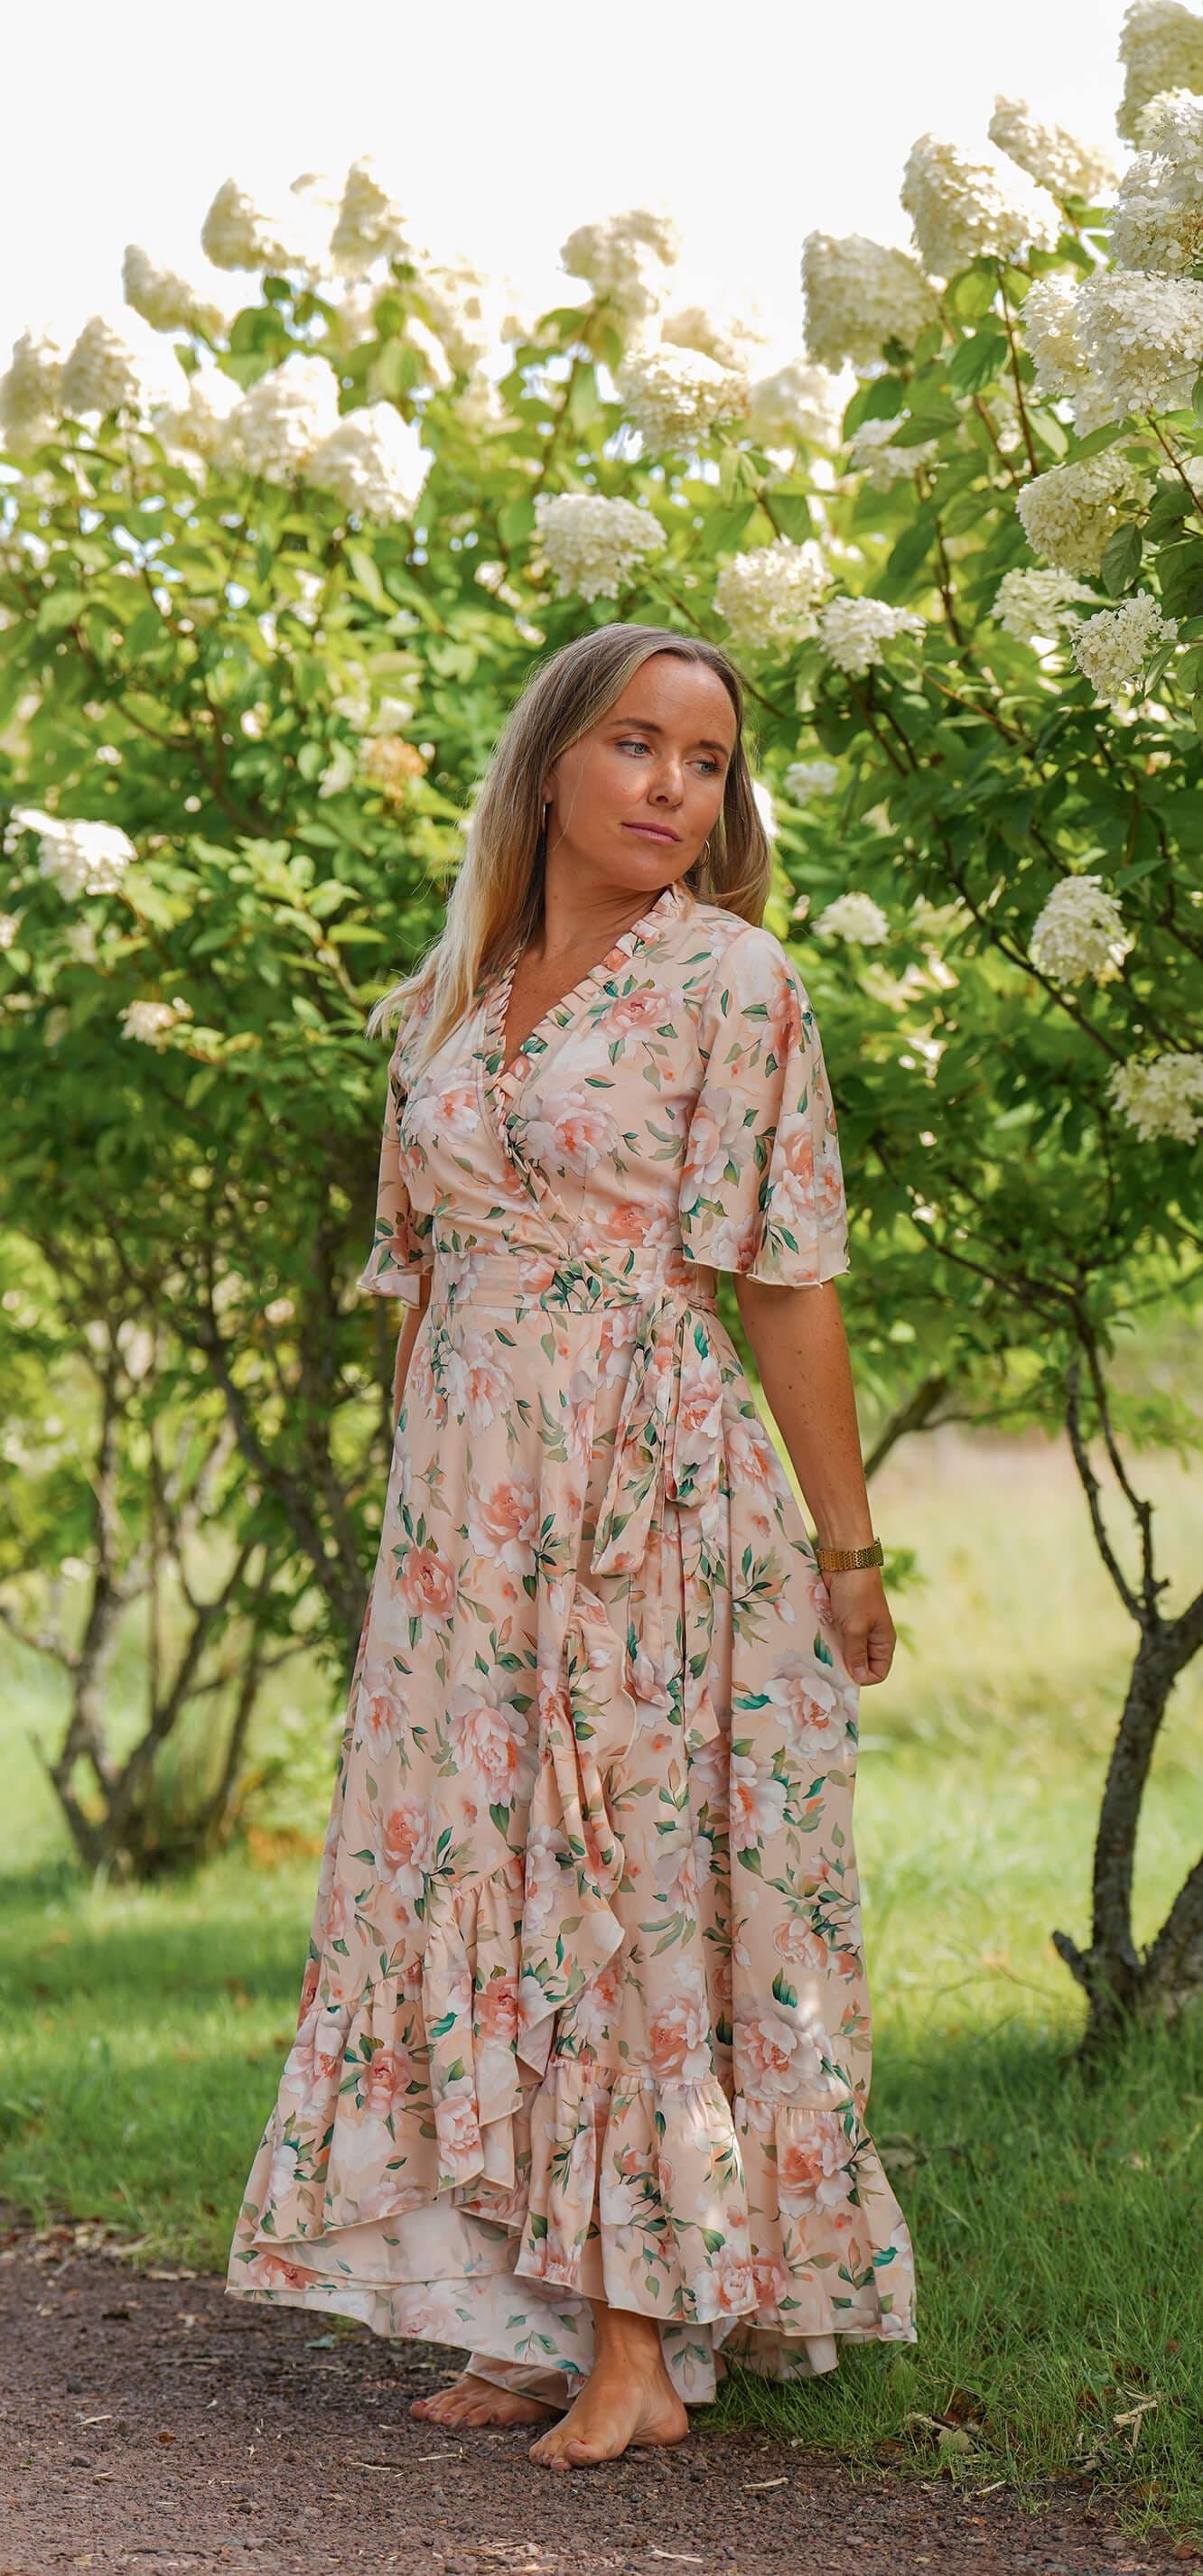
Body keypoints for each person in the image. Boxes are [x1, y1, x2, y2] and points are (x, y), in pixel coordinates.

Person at [226, 623, 918, 2472]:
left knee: (617, 1885)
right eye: (636, 744)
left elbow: (787, 1273)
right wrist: (421, 1530)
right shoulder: (456, 992)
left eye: (705, 759)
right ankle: (517, 2309)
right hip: (468, 1522)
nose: (672, 787)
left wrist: (847, 1547)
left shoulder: (732, 982)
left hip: (642, 1490)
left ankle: (637, 2343)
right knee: (478, 1869)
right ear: (549, 763)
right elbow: (422, 1280)